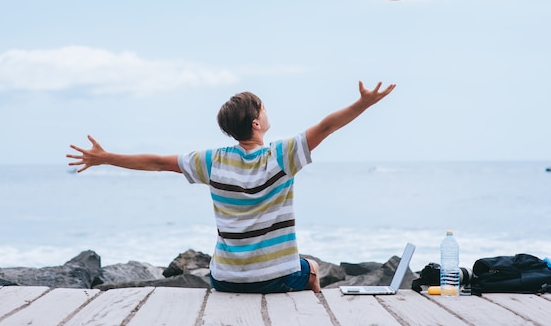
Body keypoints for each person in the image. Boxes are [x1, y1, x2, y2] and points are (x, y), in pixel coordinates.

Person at [66, 81, 395, 293]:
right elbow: (326, 126)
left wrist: (106, 157)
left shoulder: (212, 161)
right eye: (263, 108)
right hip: (275, 278)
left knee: (299, 267)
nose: (267, 111)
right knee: (311, 268)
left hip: (224, 280)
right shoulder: (282, 155)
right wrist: (363, 104)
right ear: (256, 123)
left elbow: (156, 163)